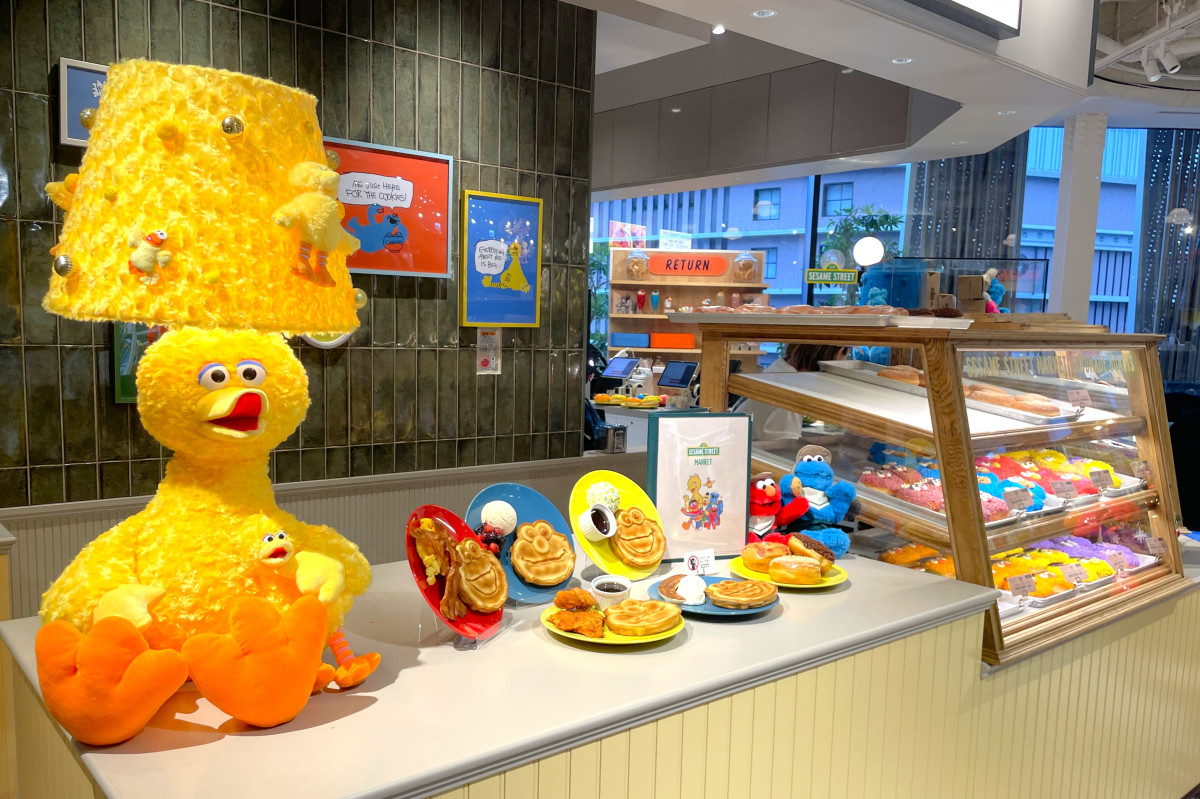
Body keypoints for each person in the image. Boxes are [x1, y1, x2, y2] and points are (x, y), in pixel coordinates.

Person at [733, 344, 847, 441]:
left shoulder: (781, 371)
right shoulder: (790, 391)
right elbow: (784, 446)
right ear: (839, 353)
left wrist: (835, 440)